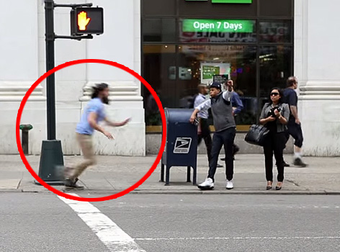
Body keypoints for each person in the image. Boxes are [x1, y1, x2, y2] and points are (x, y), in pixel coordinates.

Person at [63, 83, 131, 188]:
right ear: (101, 92)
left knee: (89, 159)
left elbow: (107, 121)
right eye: (106, 91)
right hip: (84, 133)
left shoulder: (97, 103)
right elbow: (91, 121)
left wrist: (120, 124)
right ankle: (70, 169)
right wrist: (104, 131)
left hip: (83, 133)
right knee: (90, 160)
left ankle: (71, 179)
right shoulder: (96, 104)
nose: (108, 94)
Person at [190, 82, 236, 190]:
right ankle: (210, 178)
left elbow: (229, 93)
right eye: (210, 90)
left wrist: (229, 86)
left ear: (218, 90)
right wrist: (193, 114)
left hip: (228, 129)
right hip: (218, 131)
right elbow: (200, 107)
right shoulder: (211, 100)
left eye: (213, 90)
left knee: (228, 154)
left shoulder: (224, 97)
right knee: (213, 154)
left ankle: (229, 179)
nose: (211, 92)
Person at [259, 88, 290, 190]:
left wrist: (279, 116)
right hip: (267, 134)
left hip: (279, 134)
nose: (273, 96)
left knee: (279, 158)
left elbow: (286, 121)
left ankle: (280, 180)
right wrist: (268, 119)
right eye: (271, 94)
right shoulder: (266, 106)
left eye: (275, 94)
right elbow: (261, 120)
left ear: (280, 96)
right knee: (268, 158)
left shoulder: (284, 106)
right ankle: (269, 180)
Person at [194, 83, 222, 168]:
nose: (208, 90)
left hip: (203, 121)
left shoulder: (204, 99)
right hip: (202, 122)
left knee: (201, 143)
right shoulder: (199, 99)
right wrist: (198, 127)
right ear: (202, 89)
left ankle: (212, 161)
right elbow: (198, 113)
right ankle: (212, 162)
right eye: (206, 88)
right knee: (209, 143)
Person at [282, 76, 308, 167]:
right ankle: (297, 157)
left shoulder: (283, 92)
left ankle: (280, 159)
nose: (297, 85)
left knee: (283, 140)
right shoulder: (292, 93)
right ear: (293, 84)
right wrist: (296, 117)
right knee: (299, 138)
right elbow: (292, 107)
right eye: (296, 83)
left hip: (283, 119)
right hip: (291, 120)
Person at [220, 79, 243, 161]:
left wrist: (234, 111)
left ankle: (231, 152)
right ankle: (231, 152)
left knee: (228, 135)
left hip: (231, 118)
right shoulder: (223, 95)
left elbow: (240, 106)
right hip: (224, 117)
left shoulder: (234, 95)